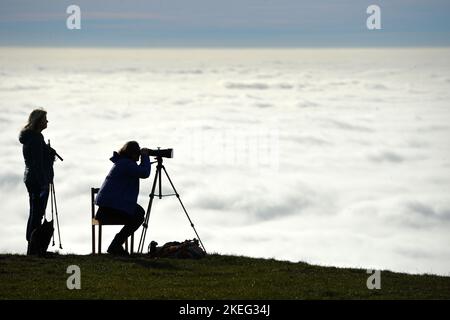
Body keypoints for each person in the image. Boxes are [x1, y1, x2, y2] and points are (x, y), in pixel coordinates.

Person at [95, 141, 151, 255]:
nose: (138, 156)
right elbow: (144, 173)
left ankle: (116, 245)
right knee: (139, 214)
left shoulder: (122, 162)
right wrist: (145, 157)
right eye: (137, 153)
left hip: (107, 206)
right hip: (110, 208)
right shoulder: (126, 164)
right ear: (132, 153)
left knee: (138, 213)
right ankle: (116, 245)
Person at [19, 108, 56, 254]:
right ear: (39, 121)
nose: (47, 121)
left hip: (31, 179)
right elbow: (38, 163)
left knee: (35, 212)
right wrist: (44, 184)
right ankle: (33, 247)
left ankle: (32, 245)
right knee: (37, 213)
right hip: (38, 181)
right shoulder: (36, 138)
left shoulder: (30, 137)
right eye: (45, 119)